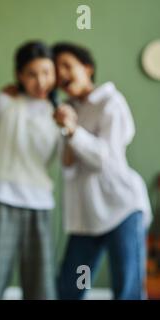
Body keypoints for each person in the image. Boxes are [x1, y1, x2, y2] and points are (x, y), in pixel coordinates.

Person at [52, 42, 152, 300]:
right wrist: (66, 128)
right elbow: (68, 165)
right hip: (86, 215)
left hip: (122, 208)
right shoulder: (70, 110)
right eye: (56, 69)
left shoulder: (111, 102)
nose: (61, 73)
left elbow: (105, 159)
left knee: (127, 292)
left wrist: (73, 130)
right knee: (68, 290)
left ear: (87, 68)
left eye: (67, 65)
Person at [0, 41, 59, 300]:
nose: (40, 81)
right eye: (32, 73)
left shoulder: (60, 112)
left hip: (40, 203)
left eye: (47, 72)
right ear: (19, 75)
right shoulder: (5, 100)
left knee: (40, 286)